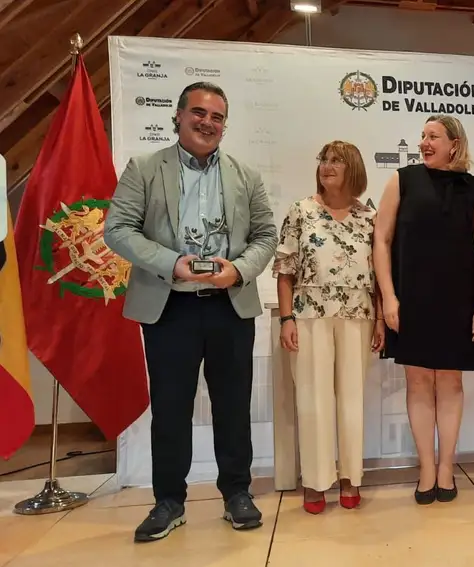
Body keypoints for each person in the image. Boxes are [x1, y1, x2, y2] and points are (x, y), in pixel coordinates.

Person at [104, 81, 278, 542]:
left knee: (233, 406)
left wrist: (238, 271)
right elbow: (117, 229)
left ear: (225, 125)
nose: (208, 122)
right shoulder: (144, 168)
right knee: (171, 408)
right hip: (169, 308)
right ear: (178, 116)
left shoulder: (247, 175)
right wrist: (171, 263)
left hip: (230, 305)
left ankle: (237, 494)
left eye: (217, 117)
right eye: (199, 113)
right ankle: (169, 502)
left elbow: (266, 236)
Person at [373, 114, 474, 505]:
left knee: (451, 384)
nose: (425, 142)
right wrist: (389, 297)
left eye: (433, 136)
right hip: (411, 298)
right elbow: (381, 240)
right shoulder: (401, 181)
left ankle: (447, 468)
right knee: (418, 383)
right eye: (422, 136)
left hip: (459, 299)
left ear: (454, 145)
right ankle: (426, 468)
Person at [274, 140, 384, 514]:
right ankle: (316, 481)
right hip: (309, 315)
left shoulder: (370, 216)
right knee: (314, 400)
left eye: (337, 160)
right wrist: (286, 318)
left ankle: (351, 477)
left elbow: (381, 275)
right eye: (324, 159)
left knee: (352, 401)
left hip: (359, 314)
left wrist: (382, 319)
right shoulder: (301, 211)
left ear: (353, 168)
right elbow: (285, 270)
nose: (327, 166)